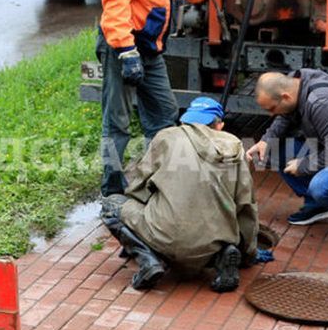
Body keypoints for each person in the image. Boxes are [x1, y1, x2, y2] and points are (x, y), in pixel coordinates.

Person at [101, 97, 275, 293]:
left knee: (112, 205)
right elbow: (246, 205)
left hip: (165, 238)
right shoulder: (235, 147)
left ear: (185, 121)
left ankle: (149, 260)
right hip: (216, 239)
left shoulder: (166, 138)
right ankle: (222, 255)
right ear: (220, 125)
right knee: (221, 227)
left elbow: (138, 188)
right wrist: (248, 252)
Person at [98, 0, 207, 197]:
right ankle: (112, 187)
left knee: (164, 113)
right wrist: (125, 50)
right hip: (123, 46)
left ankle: (155, 178)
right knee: (118, 120)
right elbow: (116, 0)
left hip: (149, 48)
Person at [245, 70, 328, 239]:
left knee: (321, 187)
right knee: (270, 152)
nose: (271, 114)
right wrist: (266, 140)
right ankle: (319, 205)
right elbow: (286, 115)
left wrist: (303, 165)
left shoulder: (321, 103)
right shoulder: (296, 80)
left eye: (271, 108)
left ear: (285, 97)